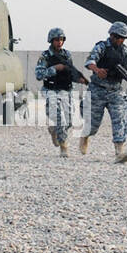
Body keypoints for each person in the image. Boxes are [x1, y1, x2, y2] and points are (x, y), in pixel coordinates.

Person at [80, 21, 127, 163]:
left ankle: (119, 152)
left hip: (115, 90)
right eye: (117, 37)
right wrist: (97, 70)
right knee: (92, 125)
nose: (119, 40)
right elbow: (89, 61)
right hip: (98, 89)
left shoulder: (125, 51)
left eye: (122, 38)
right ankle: (85, 136)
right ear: (111, 35)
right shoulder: (101, 47)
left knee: (120, 118)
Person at [34, 27, 84, 157]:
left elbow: (70, 71)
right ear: (51, 40)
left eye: (61, 39)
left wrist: (79, 79)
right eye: (56, 40)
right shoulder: (45, 56)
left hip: (66, 90)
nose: (59, 42)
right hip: (51, 90)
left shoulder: (67, 55)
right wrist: (55, 68)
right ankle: (64, 146)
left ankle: (54, 130)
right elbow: (39, 75)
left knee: (69, 120)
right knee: (58, 118)